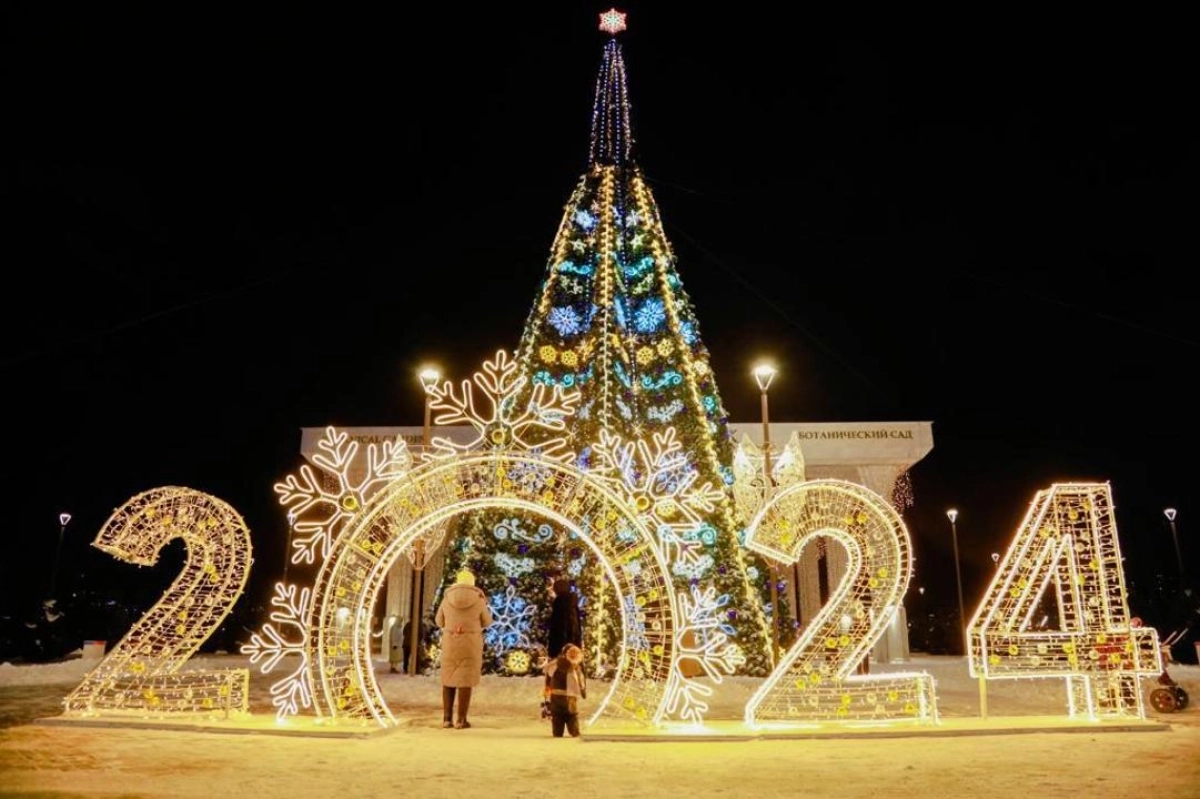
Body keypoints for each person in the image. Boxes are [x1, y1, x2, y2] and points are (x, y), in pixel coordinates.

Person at [434, 568, 492, 729]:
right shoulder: (479, 600)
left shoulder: (446, 599)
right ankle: (461, 720)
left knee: (448, 680)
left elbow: (439, 621)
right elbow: (487, 622)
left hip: (450, 643)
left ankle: (447, 719)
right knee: (465, 681)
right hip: (470, 644)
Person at [543, 642, 587, 738]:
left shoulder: (557, 665)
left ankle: (562, 731)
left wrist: (547, 694)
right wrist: (583, 690)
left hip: (561, 697)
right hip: (566, 697)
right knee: (570, 716)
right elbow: (580, 679)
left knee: (562, 716)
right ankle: (571, 731)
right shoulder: (570, 666)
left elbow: (548, 676)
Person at [547, 576, 582, 659]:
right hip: (573, 643)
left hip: (562, 644)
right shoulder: (572, 603)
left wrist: (557, 646)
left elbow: (559, 626)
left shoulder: (560, 603)